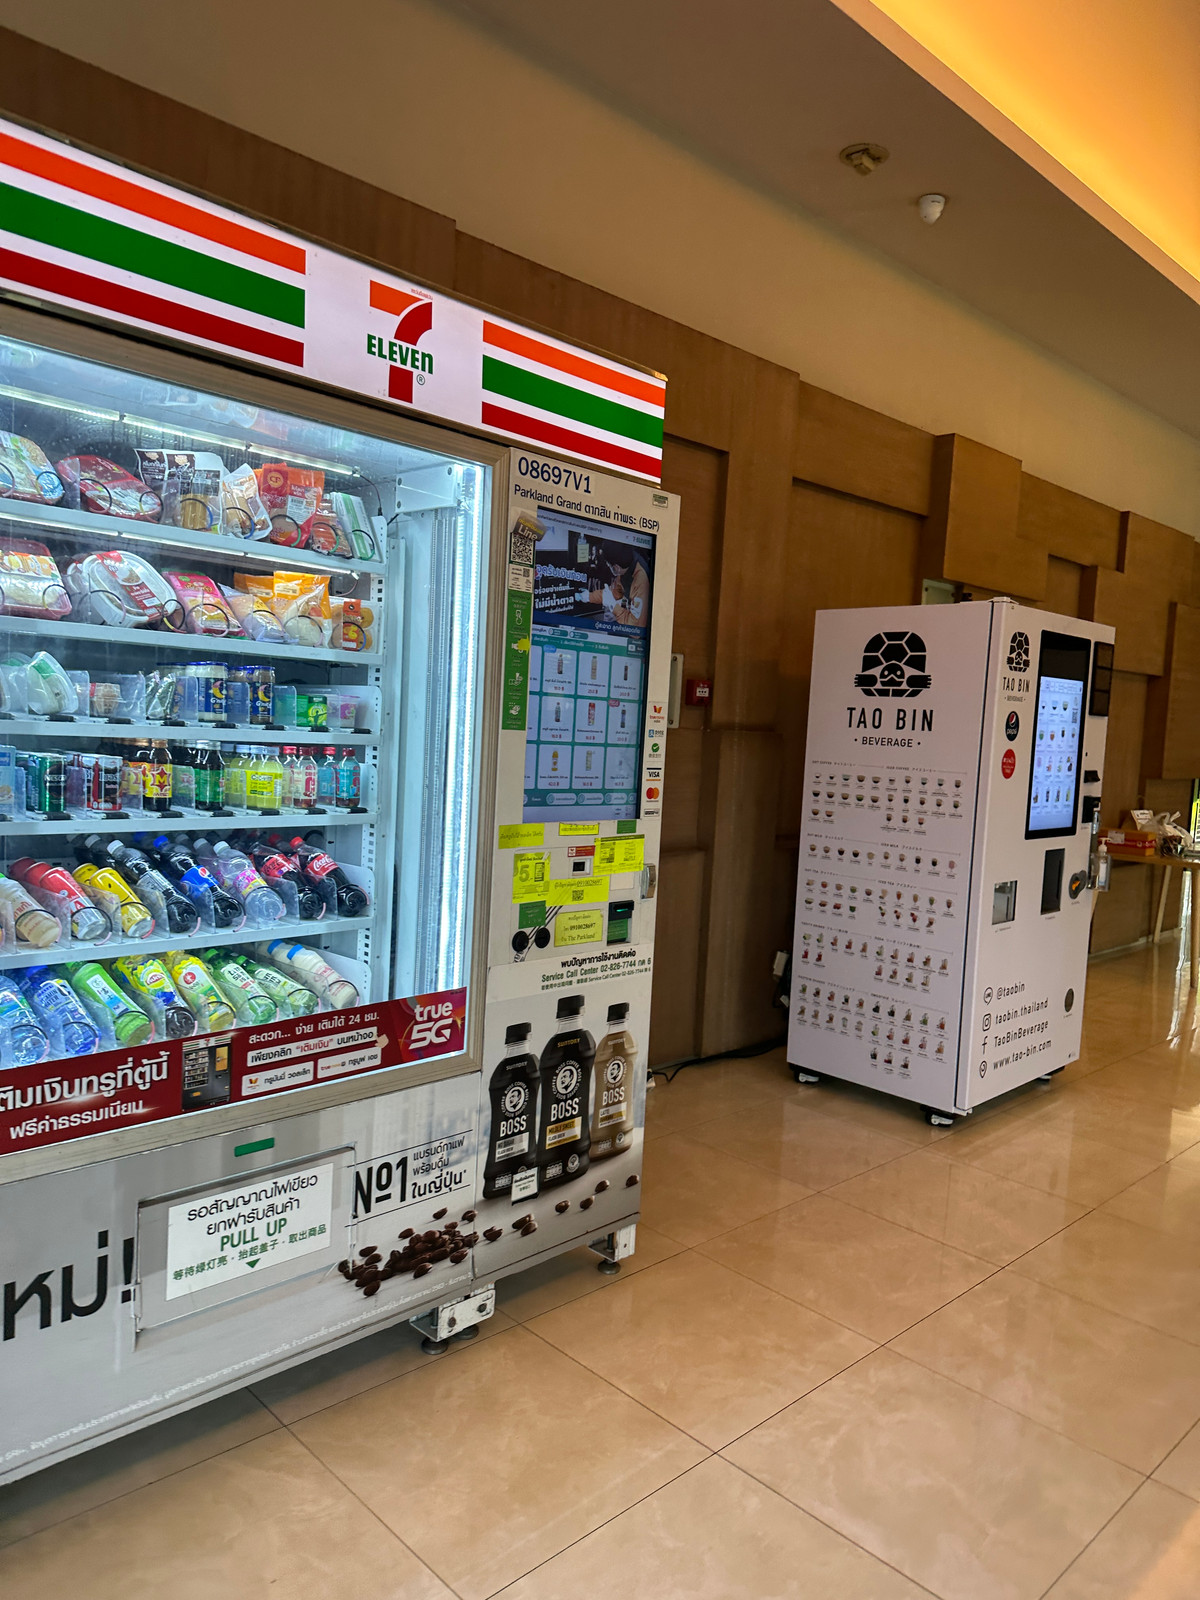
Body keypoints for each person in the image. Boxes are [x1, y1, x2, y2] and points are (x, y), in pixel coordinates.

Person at [590, 543, 651, 629]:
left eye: (609, 565)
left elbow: (636, 627)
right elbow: (614, 593)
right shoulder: (625, 568)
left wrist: (614, 607)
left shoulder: (641, 579)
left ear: (616, 567)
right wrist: (589, 596)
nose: (609, 567)